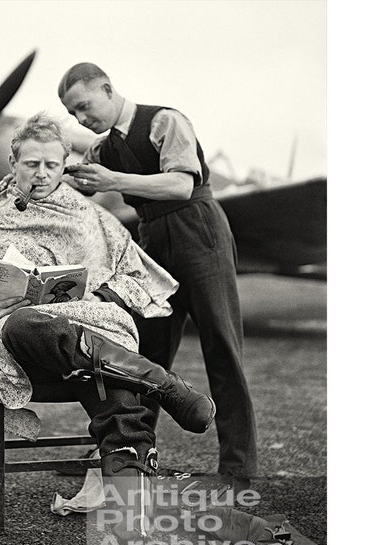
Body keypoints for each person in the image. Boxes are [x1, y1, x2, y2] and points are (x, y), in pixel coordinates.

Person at [0, 113, 216, 545]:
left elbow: (137, 281)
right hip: (27, 350)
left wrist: (98, 297)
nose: (43, 172)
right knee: (30, 321)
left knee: (124, 409)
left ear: (64, 164)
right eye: (31, 163)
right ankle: (161, 381)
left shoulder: (90, 216)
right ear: (13, 162)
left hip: (95, 344)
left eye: (53, 163)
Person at [56, 63, 258, 490]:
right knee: (144, 358)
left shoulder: (165, 120)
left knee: (221, 347)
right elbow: (76, 180)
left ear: (107, 90)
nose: (81, 119)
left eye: (84, 106)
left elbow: (181, 185)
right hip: (150, 241)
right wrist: (31, 178)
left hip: (197, 231)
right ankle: (128, 455)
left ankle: (239, 470)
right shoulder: (104, 148)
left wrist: (114, 180)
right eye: (73, 114)